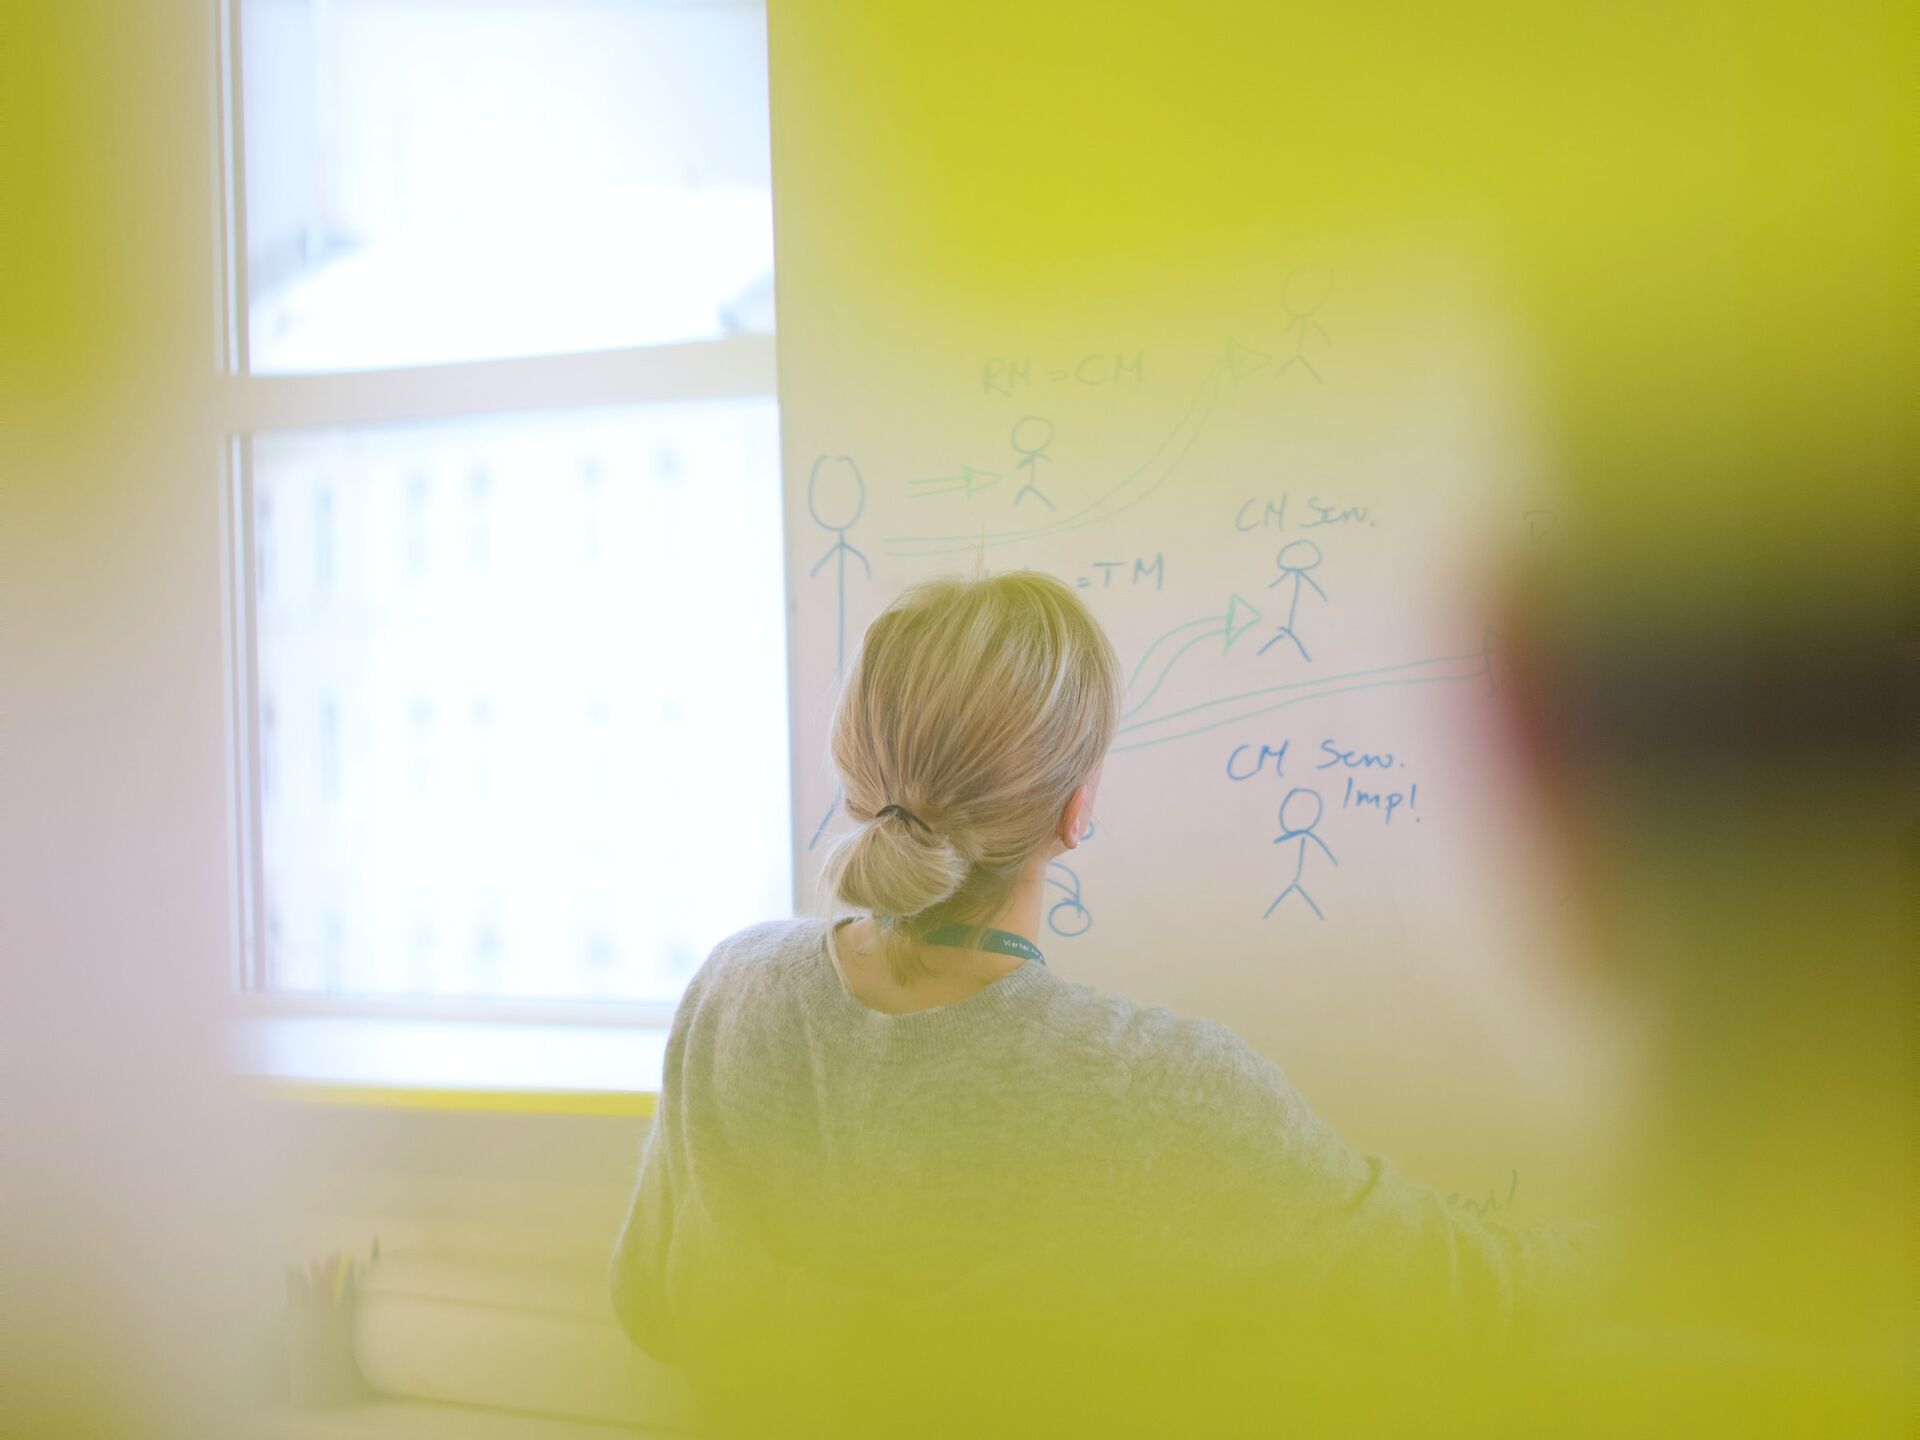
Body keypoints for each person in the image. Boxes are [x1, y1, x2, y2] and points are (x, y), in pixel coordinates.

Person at [609, 571, 1600, 1438]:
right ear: (1078, 808)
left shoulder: (729, 986)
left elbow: (647, 1304)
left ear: (857, 772)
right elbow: (1460, 1299)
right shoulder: (1168, 1091)